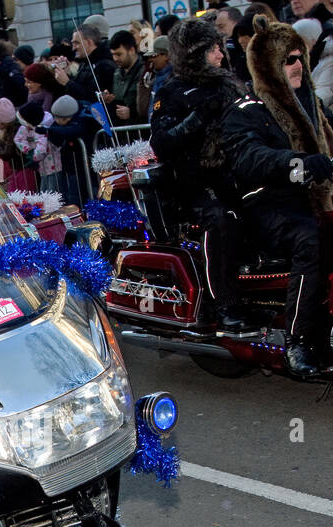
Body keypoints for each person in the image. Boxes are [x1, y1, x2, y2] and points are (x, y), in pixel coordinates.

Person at [223, 15, 333, 376]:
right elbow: (249, 157)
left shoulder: (312, 105)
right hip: (270, 202)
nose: (296, 65)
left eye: (299, 57)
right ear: (268, 65)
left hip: (319, 197)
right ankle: (298, 340)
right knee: (310, 239)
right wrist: (301, 163)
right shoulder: (248, 109)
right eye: (288, 59)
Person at [149, 16, 249, 331]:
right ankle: (223, 303)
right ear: (195, 52)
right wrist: (201, 115)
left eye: (220, 46)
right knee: (221, 219)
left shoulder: (230, 82)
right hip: (194, 180)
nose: (221, 54)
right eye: (213, 48)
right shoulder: (172, 90)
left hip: (238, 172)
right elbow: (161, 142)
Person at [108, 30, 147, 124]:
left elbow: (150, 104)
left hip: (141, 128)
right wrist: (109, 100)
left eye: (119, 54)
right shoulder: (117, 74)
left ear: (132, 50)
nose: (115, 59)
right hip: (123, 131)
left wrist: (132, 112)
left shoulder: (145, 71)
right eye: (113, 55)